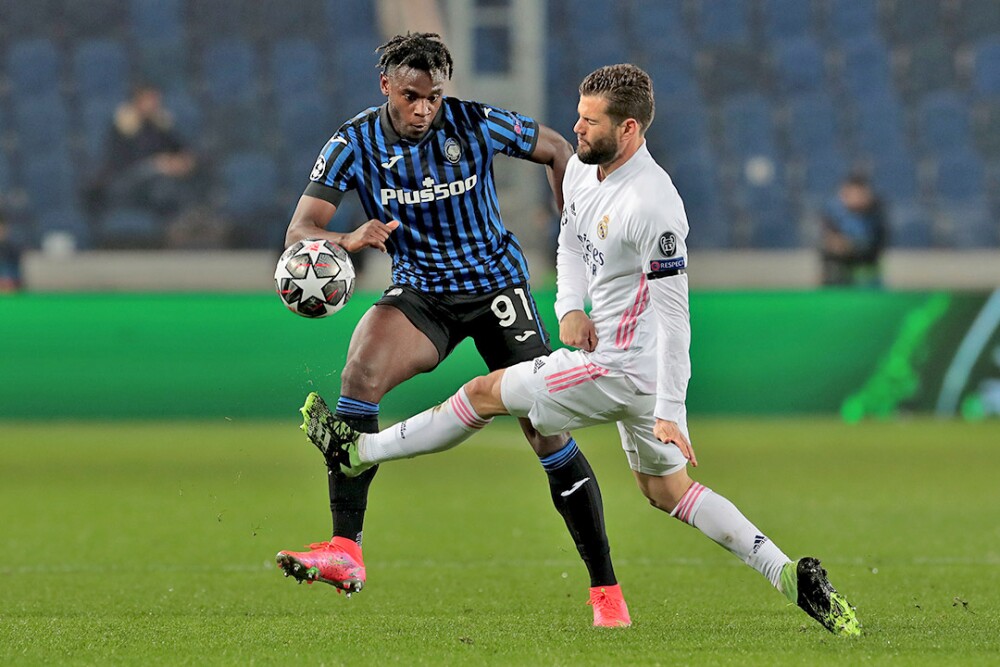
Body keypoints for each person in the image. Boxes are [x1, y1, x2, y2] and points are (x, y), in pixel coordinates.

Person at [311, 64, 862, 636]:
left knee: (482, 394)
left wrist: (671, 409)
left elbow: (676, 317)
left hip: (622, 370)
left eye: (589, 121)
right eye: (577, 113)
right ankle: (788, 573)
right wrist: (569, 308)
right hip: (616, 364)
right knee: (668, 491)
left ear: (628, 131)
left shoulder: (654, 206)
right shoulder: (581, 170)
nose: (574, 127)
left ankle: (362, 453)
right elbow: (571, 240)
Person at [275, 34, 629, 627]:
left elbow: (556, 147)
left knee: (545, 431)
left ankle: (606, 593)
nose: (423, 110)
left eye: (434, 97)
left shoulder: (474, 123)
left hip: (497, 289)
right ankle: (345, 550)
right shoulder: (352, 142)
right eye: (412, 96)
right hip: (423, 294)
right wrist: (347, 239)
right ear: (386, 86)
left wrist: (575, 228)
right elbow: (300, 230)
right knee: (360, 369)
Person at [88, 84, 198, 225]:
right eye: (150, 100)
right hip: (125, 183)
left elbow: (180, 149)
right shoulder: (122, 128)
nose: (154, 104)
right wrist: (157, 165)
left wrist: (182, 162)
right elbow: (119, 164)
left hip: (155, 183)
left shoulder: (159, 125)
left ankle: (185, 223)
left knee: (168, 188)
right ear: (138, 102)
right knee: (163, 185)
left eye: (156, 100)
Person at [820, 172, 887, 287]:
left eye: (859, 194)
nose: (856, 198)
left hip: (867, 277)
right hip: (837, 277)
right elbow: (829, 244)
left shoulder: (876, 214)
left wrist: (850, 246)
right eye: (851, 194)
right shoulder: (832, 213)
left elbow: (875, 245)